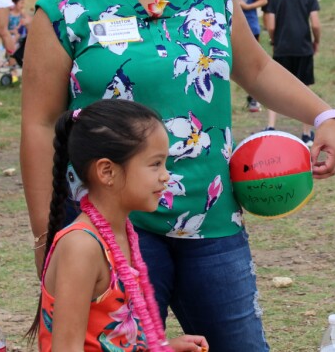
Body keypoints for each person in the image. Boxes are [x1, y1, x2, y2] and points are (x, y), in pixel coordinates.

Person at [20, 0, 335, 352]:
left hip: (212, 219)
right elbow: (39, 125)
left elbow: (256, 68)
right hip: (113, 230)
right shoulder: (64, 9)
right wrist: (47, 237)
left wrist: (323, 113)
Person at [27, 100, 209, 352]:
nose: (166, 175)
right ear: (107, 172)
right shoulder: (81, 246)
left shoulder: (123, 232)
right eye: (155, 164)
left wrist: (165, 348)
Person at [263, 0, 321, 146]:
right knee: (304, 89)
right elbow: (315, 23)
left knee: (275, 89)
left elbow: (270, 24)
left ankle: (271, 128)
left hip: (282, 49)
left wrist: (274, 39)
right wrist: (317, 40)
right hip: (304, 48)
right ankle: (306, 134)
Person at [224, 0, 267, 112]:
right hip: (229, 29)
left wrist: (248, 6)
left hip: (250, 29)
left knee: (251, 65)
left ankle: (254, 99)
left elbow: (263, 0)